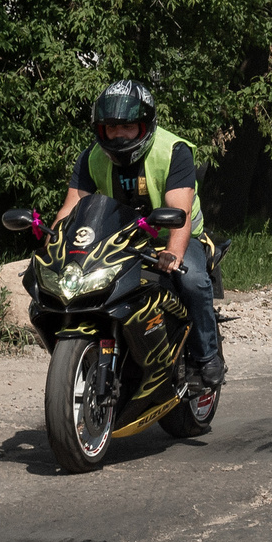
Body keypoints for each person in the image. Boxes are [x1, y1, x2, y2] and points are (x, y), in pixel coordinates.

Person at [56, 79, 224, 387]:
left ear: (144, 126)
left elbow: (180, 211)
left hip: (174, 237)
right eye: (110, 127)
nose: (118, 134)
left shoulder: (173, 151)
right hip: (118, 240)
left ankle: (206, 356)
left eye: (128, 126)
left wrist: (173, 252)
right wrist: (53, 246)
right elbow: (70, 210)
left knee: (192, 279)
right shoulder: (91, 157)